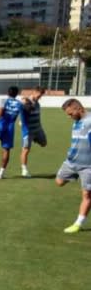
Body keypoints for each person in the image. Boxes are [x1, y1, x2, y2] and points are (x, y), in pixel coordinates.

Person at [56, 98, 91, 234]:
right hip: (71, 162)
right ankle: (78, 177)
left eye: (70, 114)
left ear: (78, 108)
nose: (69, 117)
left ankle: (78, 223)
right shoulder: (76, 123)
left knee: (87, 194)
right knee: (59, 182)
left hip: (88, 165)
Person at [0, 86, 24, 179]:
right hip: (10, 128)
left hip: (0, 125)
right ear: (16, 94)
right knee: (6, 150)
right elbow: (22, 116)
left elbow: (0, 111)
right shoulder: (19, 104)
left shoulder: (3, 100)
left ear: (8, 93)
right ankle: (1, 173)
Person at [19, 86, 48, 178]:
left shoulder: (37, 103)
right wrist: (24, 99)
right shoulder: (26, 101)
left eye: (41, 96)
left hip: (38, 129)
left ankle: (35, 139)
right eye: (39, 95)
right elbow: (22, 103)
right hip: (28, 131)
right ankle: (24, 170)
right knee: (26, 149)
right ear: (34, 92)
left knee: (44, 143)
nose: (40, 97)